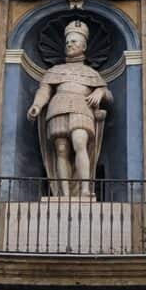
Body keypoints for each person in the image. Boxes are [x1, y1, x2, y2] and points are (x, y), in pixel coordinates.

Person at [27, 20, 112, 197]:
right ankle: (63, 194)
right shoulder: (54, 70)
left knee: (80, 141)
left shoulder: (92, 73)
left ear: (84, 46)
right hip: (57, 108)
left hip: (83, 108)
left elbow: (110, 97)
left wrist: (100, 91)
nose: (69, 44)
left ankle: (86, 190)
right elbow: (44, 90)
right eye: (67, 42)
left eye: (74, 41)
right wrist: (36, 105)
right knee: (61, 149)